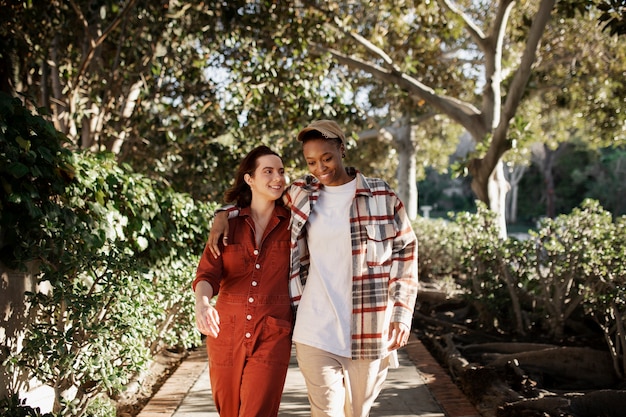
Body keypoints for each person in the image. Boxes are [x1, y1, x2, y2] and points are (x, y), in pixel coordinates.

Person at [208, 120, 418, 417]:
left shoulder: (382, 197)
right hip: (314, 329)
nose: (320, 167)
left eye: (327, 158)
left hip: (369, 327)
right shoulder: (301, 193)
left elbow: (406, 253)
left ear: (342, 150)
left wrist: (402, 314)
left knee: (357, 413)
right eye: (311, 162)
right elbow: (257, 200)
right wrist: (223, 214)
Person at [193, 145, 293, 417]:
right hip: (226, 333)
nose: (278, 178)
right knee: (229, 412)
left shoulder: (294, 224)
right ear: (249, 179)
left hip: (273, 332)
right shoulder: (229, 225)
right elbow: (207, 274)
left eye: (281, 172)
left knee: (257, 412)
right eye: (268, 171)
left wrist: (222, 211)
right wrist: (202, 304)